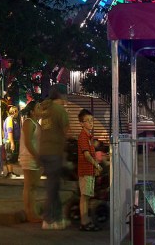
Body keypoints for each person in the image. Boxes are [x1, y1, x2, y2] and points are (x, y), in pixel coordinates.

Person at [35, 83, 70, 230]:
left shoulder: (46, 108)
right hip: (54, 152)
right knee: (52, 188)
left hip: (44, 151)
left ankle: (57, 218)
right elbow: (66, 131)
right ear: (61, 95)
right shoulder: (59, 110)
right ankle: (48, 220)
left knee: (53, 186)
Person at [76, 108, 101, 232]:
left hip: (89, 170)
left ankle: (86, 220)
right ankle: (84, 222)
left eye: (92, 120)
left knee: (86, 197)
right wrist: (97, 165)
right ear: (81, 124)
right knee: (84, 197)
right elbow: (86, 155)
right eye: (87, 121)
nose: (91, 123)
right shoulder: (83, 137)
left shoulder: (89, 137)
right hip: (85, 170)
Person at [17, 100, 42, 223]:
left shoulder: (37, 123)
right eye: (38, 107)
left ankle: (33, 211)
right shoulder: (29, 122)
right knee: (29, 186)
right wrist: (37, 156)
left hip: (36, 157)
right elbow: (27, 142)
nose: (40, 109)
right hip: (29, 157)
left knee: (33, 187)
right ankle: (29, 212)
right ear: (32, 111)